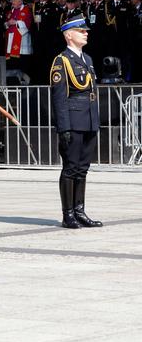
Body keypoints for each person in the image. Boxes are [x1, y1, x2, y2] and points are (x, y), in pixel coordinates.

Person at [50, 15, 102, 229]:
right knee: (71, 168)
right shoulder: (61, 61)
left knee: (83, 168)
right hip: (73, 120)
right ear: (68, 35)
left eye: (85, 30)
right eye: (81, 31)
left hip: (88, 119)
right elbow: (59, 97)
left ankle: (80, 210)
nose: (86, 33)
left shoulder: (87, 59)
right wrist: (64, 127)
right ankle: (68, 213)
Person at [5, 0, 33, 81]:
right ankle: (14, 81)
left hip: (22, 43)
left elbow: (27, 25)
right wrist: (8, 23)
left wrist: (16, 22)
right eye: (11, 0)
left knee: (22, 62)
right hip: (11, 41)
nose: (12, 2)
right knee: (12, 62)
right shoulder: (10, 12)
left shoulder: (26, 10)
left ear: (20, 0)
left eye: (14, 0)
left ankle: (25, 80)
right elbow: (5, 25)